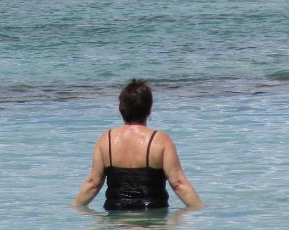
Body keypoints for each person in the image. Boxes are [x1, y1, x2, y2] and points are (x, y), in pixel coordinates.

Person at [73, 79, 203, 211]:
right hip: (153, 221)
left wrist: (74, 207)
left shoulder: (106, 140)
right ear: (149, 109)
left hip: (116, 222)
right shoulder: (161, 141)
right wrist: (201, 208)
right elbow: (178, 184)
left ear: (120, 108)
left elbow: (93, 184)